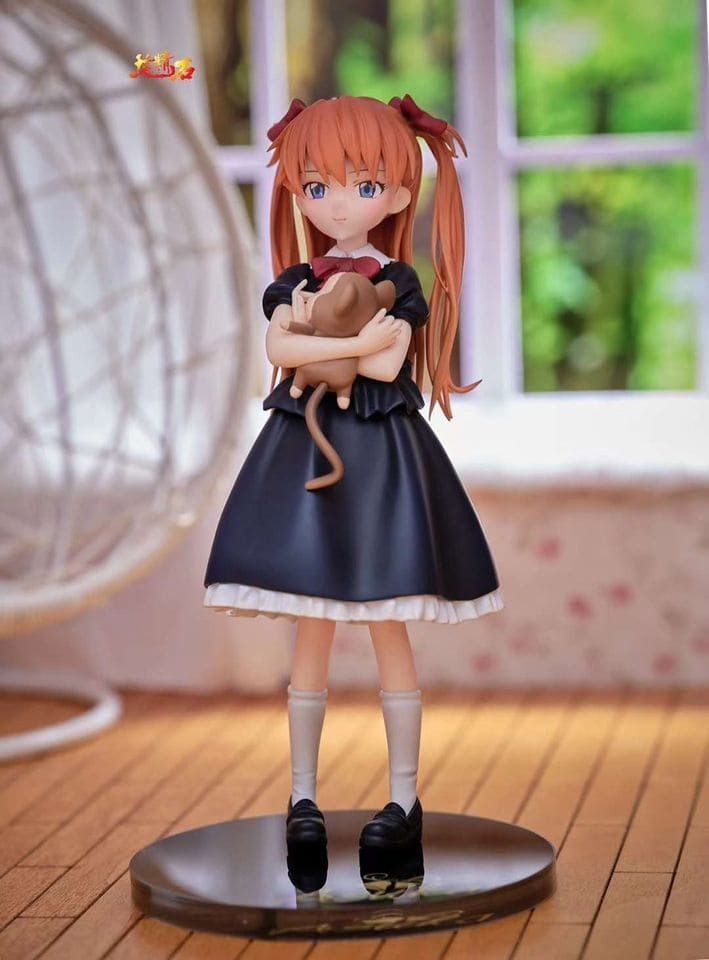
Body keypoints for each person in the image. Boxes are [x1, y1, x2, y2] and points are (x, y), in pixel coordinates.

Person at [203, 94, 504, 851]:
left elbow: (382, 364)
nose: (338, 203)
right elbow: (280, 351)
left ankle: (402, 800)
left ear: (397, 195)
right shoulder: (292, 280)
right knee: (310, 623)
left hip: (381, 455)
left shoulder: (398, 280)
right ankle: (302, 796)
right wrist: (345, 345)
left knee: (385, 619)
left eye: (363, 185)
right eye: (317, 185)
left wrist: (324, 346)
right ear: (296, 192)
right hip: (302, 451)